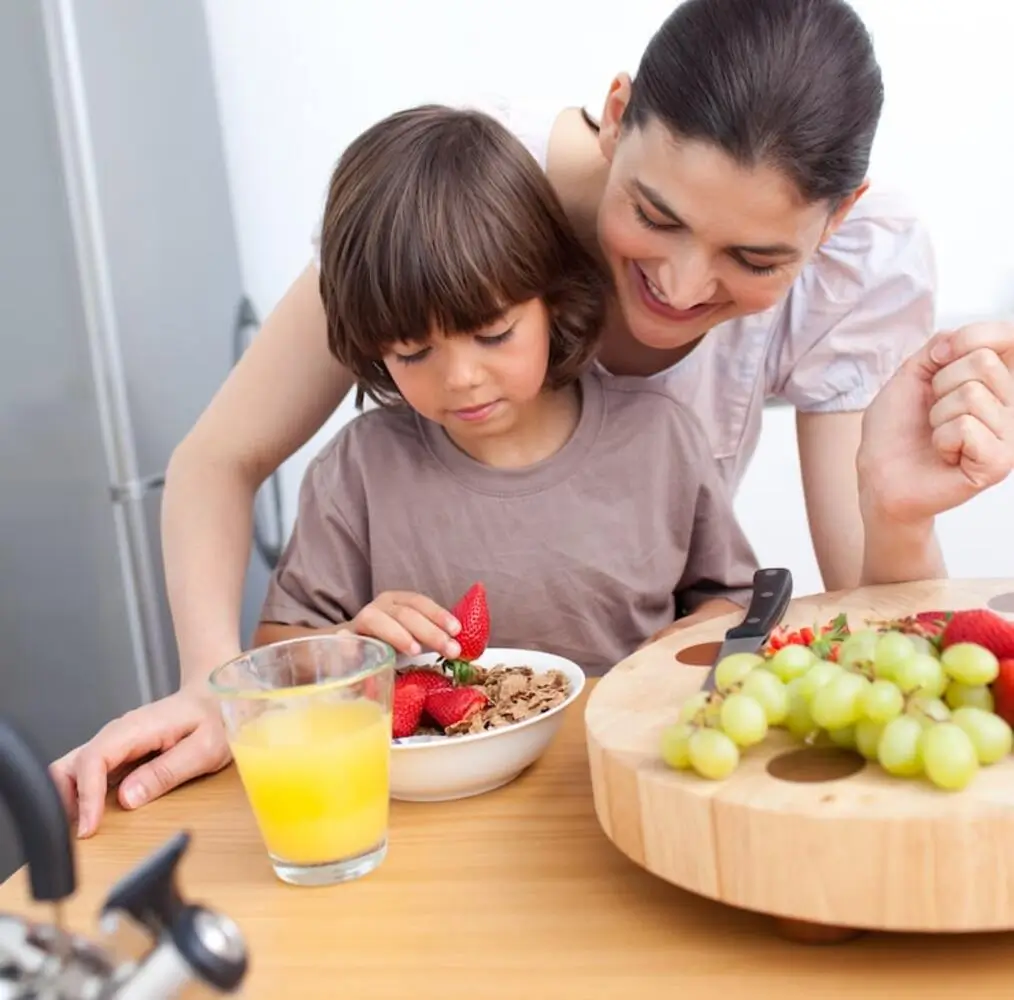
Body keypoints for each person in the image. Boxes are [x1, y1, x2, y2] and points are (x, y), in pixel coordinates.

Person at [52, 0, 1014, 835]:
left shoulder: (857, 265)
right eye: (656, 214)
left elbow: (872, 621)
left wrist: (897, 511)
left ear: (834, 222)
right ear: (618, 114)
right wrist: (217, 688)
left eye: (755, 260)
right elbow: (218, 459)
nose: (681, 285)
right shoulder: (457, 205)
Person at [253, 105, 758, 673]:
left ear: (555, 299)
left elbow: (735, 603)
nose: (460, 378)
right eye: (413, 352)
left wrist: (678, 648)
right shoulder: (360, 471)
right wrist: (352, 643)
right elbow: (274, 652)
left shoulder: (659, 437)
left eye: (493, 334)